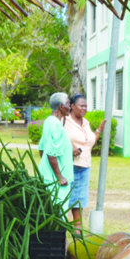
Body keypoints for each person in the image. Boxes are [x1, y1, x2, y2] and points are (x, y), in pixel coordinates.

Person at [63, 93, 106, 227]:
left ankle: (78, 230)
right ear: (72, 106)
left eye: (86, 106)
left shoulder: (85, 122)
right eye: (81, 105)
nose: (84, 108)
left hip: (84, 166)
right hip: (70, 166)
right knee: (65, 200)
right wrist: (71, 148)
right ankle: (62, 231)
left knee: (79, 200)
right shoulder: (65, 121)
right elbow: (59, 139)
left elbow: (89, 142)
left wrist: (99, 130)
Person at [38, 92, 74, 208]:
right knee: (59, 213)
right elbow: (51, 154)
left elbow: (42, 149)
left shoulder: (49, 121)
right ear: (60, 106)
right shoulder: (56, 125)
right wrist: (59, 177)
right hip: (57, 181)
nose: (70, 107)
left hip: (48, 176)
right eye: (68, 103)